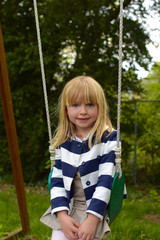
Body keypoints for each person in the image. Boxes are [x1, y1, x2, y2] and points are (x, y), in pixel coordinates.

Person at [40, 76, 125, 240]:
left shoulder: (108, 138)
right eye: (75, 105)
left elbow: (105, 180)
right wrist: (62, 216)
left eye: (90, 104)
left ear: (100, 107)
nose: (83, 111)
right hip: (68, 205)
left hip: (96, 206)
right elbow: (57, 180)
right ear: (66, 109)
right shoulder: (63, 140)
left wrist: (92, 219)